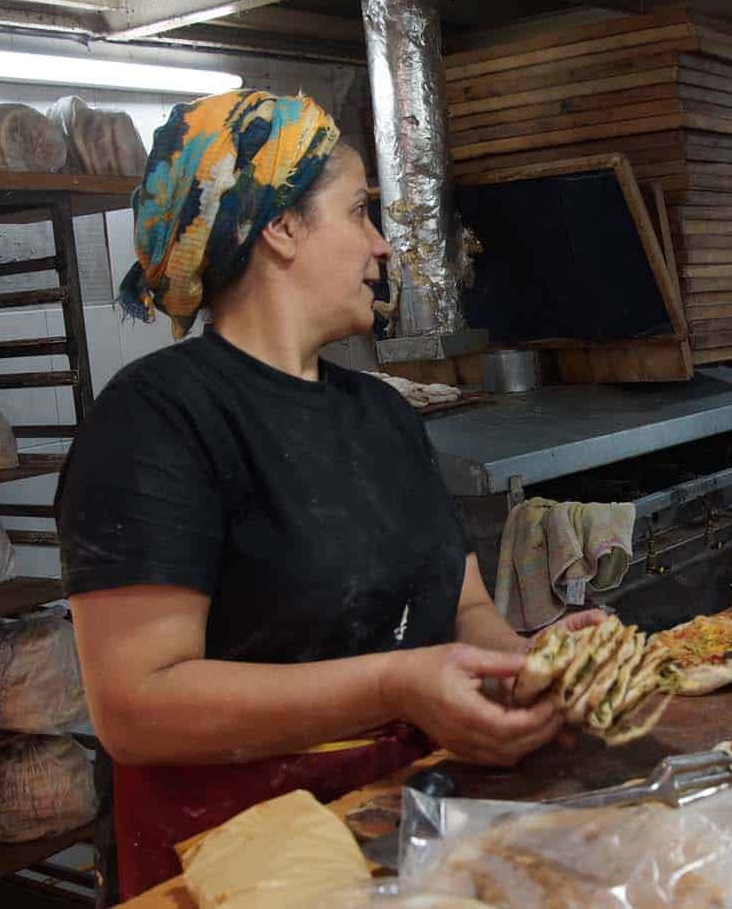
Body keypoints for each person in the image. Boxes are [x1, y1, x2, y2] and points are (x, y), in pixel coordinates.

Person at [56, 90, 599, 898]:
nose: (381, 244)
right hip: (230, 856)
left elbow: (464, 607)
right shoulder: (157, 419)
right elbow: (136, 705)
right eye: (359, 212)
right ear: (280, 227)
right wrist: (395, 682)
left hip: (401, 822)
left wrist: (528, 661)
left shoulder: (382, 410)